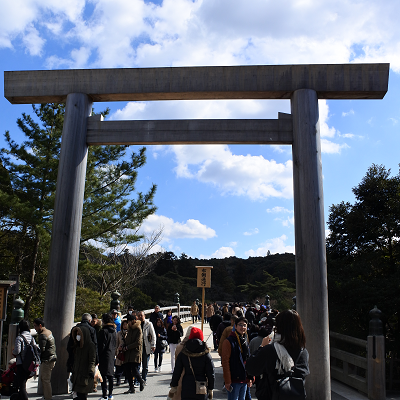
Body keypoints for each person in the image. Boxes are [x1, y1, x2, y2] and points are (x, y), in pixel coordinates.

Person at [246, 310, 310, 400]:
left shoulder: (270, 350)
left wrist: (261, 347)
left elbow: (251, 368)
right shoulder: (303, 352)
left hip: (271, 396)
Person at [169, 327, 215, 400]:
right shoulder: (206, 354)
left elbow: (177, 371)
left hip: (186, 386)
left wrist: (174, 386)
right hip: (201, 387)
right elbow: (211, 373)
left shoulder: (183, 353)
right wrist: (210, 388)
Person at [221, 317, 253, 400]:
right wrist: (227, 380)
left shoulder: (245, 340)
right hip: (234, 379)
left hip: (244, 378)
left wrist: (250, 377)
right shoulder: (229, 341)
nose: (243, 327)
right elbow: (225, 362)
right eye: (240, 325)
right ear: (235, 326)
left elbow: (248, 359)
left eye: (245, 325)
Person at [13, 320, 39, 400]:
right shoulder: (31, 338)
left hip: (21, 364)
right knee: (22, 383)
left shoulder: (19, 338)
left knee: (21, 385)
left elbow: (17, 351)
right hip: (29, 364)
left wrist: (13, 352)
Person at [70, 324, 97, 400]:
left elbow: (92, 360)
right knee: (77, 396)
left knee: (82, 396)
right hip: (77, 375)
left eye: (79, 334)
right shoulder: (77, 346)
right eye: (77, 334)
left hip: (85, 375)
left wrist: (91, 370)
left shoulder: (90, 345)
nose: (77, 336)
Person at [33, 318, 57, 400]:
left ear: (40, 325)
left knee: (45, 379)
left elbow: (41, 350)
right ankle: (46, 396)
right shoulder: (48, 332)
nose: (35, 328)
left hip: (47, 360)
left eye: (35, 326)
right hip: (52, 358)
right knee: (45, 378)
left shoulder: (42, 335)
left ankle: (48, 397)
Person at [121, 315, 145, 393]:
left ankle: (141, 381)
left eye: (129, 322)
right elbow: (128, 340)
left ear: (133, 321)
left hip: (135, 352)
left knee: (134, 370)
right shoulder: (129, 329)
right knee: (127, 370)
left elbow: (138, 342)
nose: (128, 323)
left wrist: (128, 347)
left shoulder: (138, 329)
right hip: (128, 352)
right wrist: (124, 346)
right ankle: (131, 387)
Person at [98, 313, 117, 400]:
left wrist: (98, 355)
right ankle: (110, 394)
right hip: (112, 354)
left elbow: (101, 345)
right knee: (110, 375)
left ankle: (104, 394)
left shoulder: (103, 331)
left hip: (104, 355)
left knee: (104, 376)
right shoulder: (114, 331)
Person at [137, 311, 156, 383]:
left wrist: (153, 345)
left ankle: (144, 378)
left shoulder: (149, 324)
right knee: (137, 365)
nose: (140, 317)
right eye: (138, 315)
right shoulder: (136, 324)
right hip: (138, 348)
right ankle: (137, 380)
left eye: (141, 315)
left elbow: (153, 335)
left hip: (146, 347)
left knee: (145, 365)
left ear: (144, 316)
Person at [115, 319, 128, 386]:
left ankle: (126, 378)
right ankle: (118, 379)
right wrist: (117, 350)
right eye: (124, 324)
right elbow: (116, 343)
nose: (125, 326)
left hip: (127, 351)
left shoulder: (129, 333)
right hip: (120, 352)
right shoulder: (119, 333)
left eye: (126, 324)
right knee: (118, 366)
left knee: (126, 366)